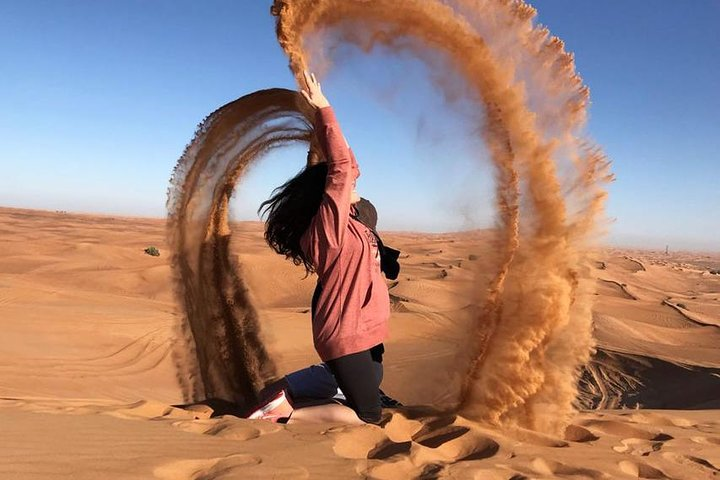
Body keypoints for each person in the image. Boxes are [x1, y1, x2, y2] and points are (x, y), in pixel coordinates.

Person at [249, 71, 393, 424]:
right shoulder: (329, 230)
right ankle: (284, 415)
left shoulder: (352, 221)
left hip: (365, 327)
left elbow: (347, 168)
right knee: (369, 415)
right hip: (346, 332)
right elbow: (343, 169)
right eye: (346, 186)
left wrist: (317, 131)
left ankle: (299, 384)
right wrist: (324, 108)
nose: (354, 184)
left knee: (373, 381)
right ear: (327, 197)